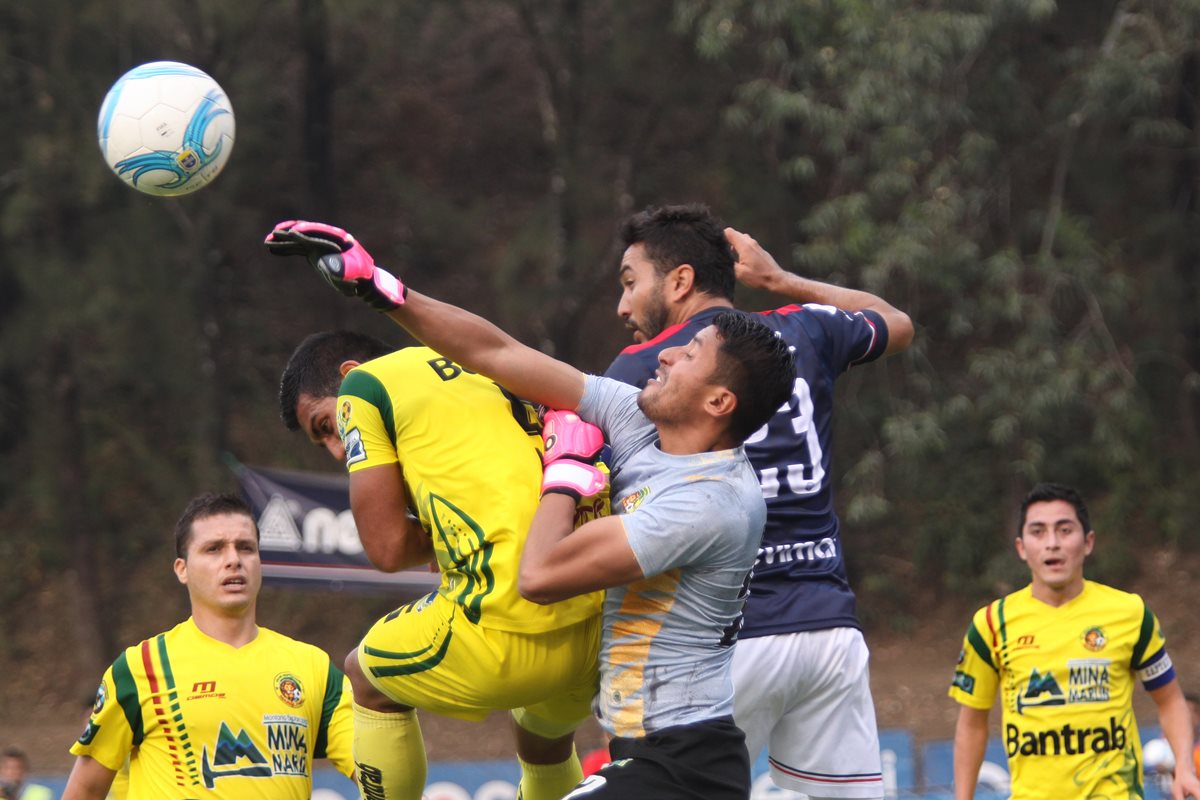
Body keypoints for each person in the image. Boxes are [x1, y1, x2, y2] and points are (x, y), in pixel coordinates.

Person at [264, 219, 797, 799]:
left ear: (718, 401)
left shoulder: (711, 504)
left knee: (371, 676)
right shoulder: (641, 423)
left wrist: (562, 480)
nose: (665, 354)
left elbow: (540, 576)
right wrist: (385, 291)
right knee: (541, 738)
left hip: (682, 762)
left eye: (690, 354)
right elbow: (496, 352)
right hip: (649, 751)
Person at [603, 203, 914, 798]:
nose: (623, 306)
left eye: (629, 283)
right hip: (827, 632)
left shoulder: (647, 370)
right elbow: (895, 322)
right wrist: (781, 282)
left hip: (716, 642)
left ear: (680, 280)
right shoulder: (804, 326)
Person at [276, 330, 604, 800]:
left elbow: (387, 549)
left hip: (509, 629)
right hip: (596, 627)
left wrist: (429, 539)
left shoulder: (362, 388)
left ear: (349, 374)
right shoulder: (478, 364)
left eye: (326, 425)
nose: (335, 447)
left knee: (365, 676)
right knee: (543, 741)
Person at [61, 493, 355, 800]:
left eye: (246, 548)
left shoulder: (313, 666)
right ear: (182, 569)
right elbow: (84, 791)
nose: (233, 560)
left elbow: (375, 768)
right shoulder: (141, 667)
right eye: (213, 549)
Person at [948, 482, 1200, 800]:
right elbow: (972, 724)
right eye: (1038, 532)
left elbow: (1171, 700)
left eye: (1065, 530)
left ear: (1088, 542)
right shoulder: (990, 624)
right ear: (1021, 547)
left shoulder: (1130, 613)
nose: (1052, 543)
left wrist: (1185, 769)